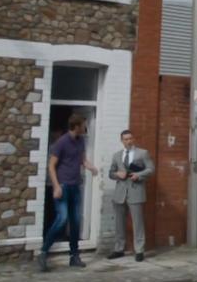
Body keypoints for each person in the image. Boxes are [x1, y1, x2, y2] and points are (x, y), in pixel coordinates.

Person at [38, 114, 98, 272]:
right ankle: (43, 252)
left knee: (76, 221)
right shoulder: (61, 142)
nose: (86, 127)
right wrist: (56, 186)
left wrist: (91, 167)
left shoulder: (81, 141)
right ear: (76, 126)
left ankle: (74, 256)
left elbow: (82, 160)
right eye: (84, 124)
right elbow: (51, 166)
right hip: (63, 186)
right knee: (62, 218)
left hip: (75, 186)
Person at [107, 129, 154, 262]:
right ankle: (119, 249)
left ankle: (139, 250)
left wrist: (138, 175)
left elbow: (151, 169)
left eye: (130, 138)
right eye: (125, 139)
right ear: (122, 141)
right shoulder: (117, 155)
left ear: (133, 139)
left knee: (137, 222)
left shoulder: (142, 153)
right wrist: (117, 174)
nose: (128, 141)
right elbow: (110, 173)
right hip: (120, 192)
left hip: (136, 190)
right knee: (119, 223)